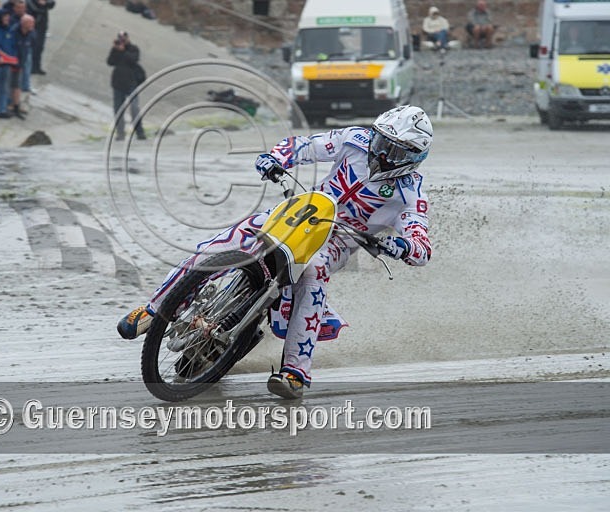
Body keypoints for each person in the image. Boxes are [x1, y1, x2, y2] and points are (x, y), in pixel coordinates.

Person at [117, 105, 434, 399]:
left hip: (339, 240)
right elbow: (303, 145)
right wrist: (276, 158)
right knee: (227, 241)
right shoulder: (354, 139)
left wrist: (401, 245)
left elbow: (421, 246)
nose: (381, 152)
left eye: (393, 150)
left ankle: (296, 371)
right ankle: (152, 310)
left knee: (313, 274)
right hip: (302, 212)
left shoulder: (411, 193)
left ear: (414, 157)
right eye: (381, 141)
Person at [107, 30, 146, 140]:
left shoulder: (133, 48)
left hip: (131, 83)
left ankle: (140, 133)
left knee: (134, 108)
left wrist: (123, 50)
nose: (122, 40)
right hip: (117, 84)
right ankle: (120, 134)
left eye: (124, 38)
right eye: (120, 38)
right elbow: (110, 62)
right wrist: (115, 50)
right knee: (118, 110)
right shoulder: (116, 49)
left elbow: (134, 59)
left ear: (128, 38)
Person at [9, 13, 35, 119]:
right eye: (31, 23)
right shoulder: (14, 32)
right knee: (11, 85)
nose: (33, 25)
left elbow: (32, 43)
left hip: (21, 62)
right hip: (12, 62)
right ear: (24, 23)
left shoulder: (31, 33)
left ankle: (16, 105)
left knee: (17, 85)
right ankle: (10, 105)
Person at [25, 0, 54, 75]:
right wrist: (41, 5)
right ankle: (31, 67)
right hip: (33, 26)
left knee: (40, 47)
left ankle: (37, 67)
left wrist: (45, 3)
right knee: (32, 47)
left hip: (42, 26)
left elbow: (52, 3)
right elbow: (32, 9)